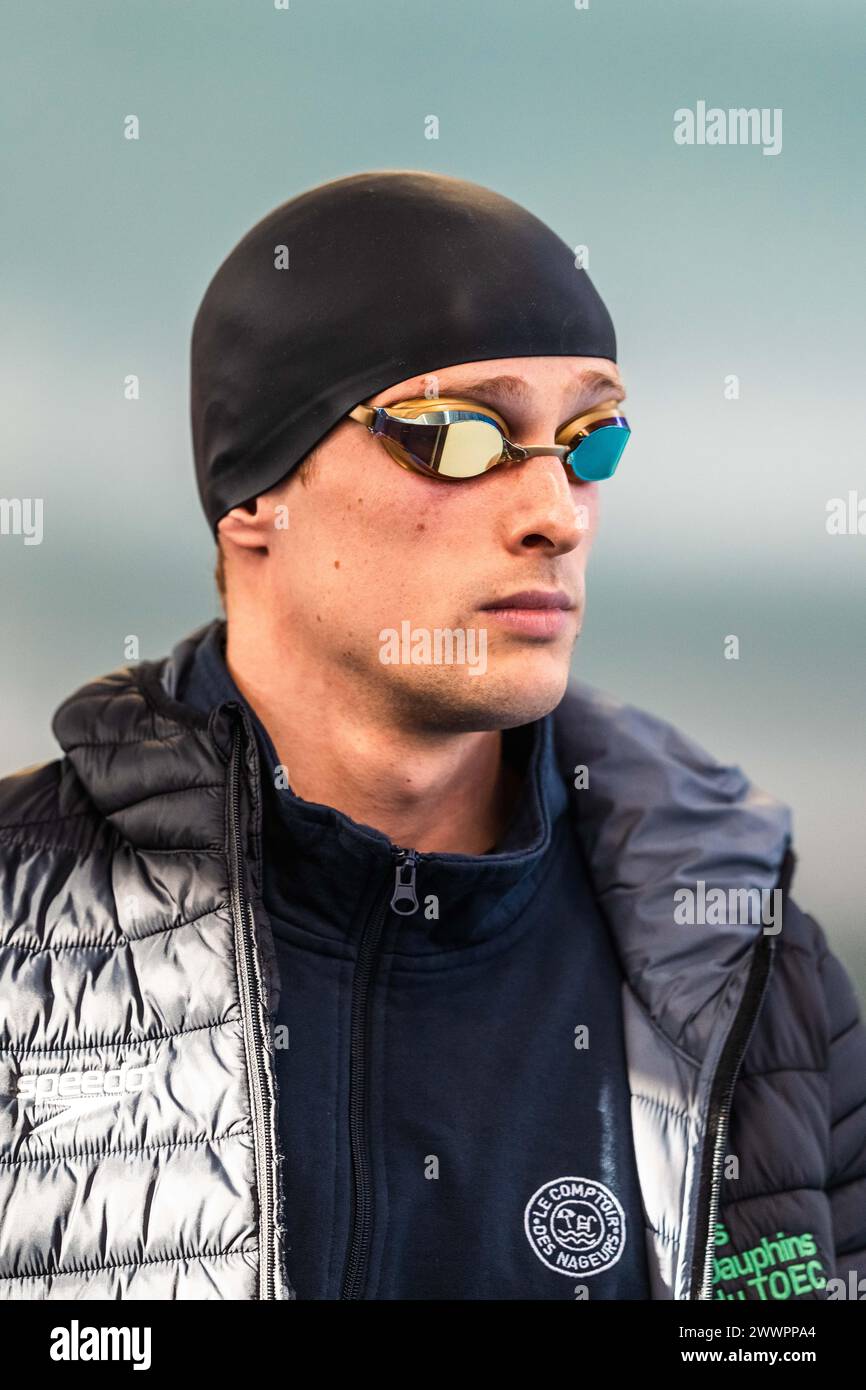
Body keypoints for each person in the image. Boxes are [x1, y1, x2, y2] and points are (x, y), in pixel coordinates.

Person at [0, 170, 863, 1303]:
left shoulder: (745, 959)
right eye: (460, 437)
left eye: (589, 440)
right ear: (253, 494)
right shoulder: (20, 919)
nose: (554, 510)